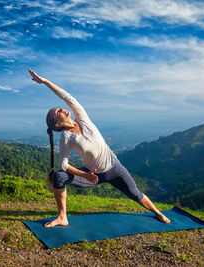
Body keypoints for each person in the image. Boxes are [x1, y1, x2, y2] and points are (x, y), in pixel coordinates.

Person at [29, 69, 170, 227]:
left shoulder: (82, 118)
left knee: (135, 193)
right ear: (58, 124)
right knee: (58, 176)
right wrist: (86, 175)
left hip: (114, 168)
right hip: (93, 175)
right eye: (58, 112)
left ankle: (158, 213)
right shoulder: (66, 138)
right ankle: (62, 217)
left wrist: (46, 82)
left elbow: (68, 97)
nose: (62, 109)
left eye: (59, 108)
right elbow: (64, 164)